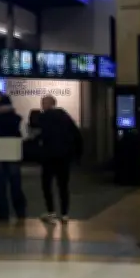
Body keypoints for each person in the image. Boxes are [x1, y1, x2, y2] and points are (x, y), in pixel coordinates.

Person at [36, 94, 83, 224]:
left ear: (49, 104)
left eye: (43, 103)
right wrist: (77, 154)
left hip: (48, 156)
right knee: (63, 185)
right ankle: (64, 214)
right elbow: (76, 134)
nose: (42, 105)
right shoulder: (64, 116)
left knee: (47, 185)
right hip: (64, 156)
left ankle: (51, 212)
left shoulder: (43, 117)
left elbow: (40, 135)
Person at [0, 96, 27, 222]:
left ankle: (3, 214)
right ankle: (20, 211)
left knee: (0, 185)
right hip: (14, 153)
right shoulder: (19, 118)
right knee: (16, 184)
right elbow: (25, 135)